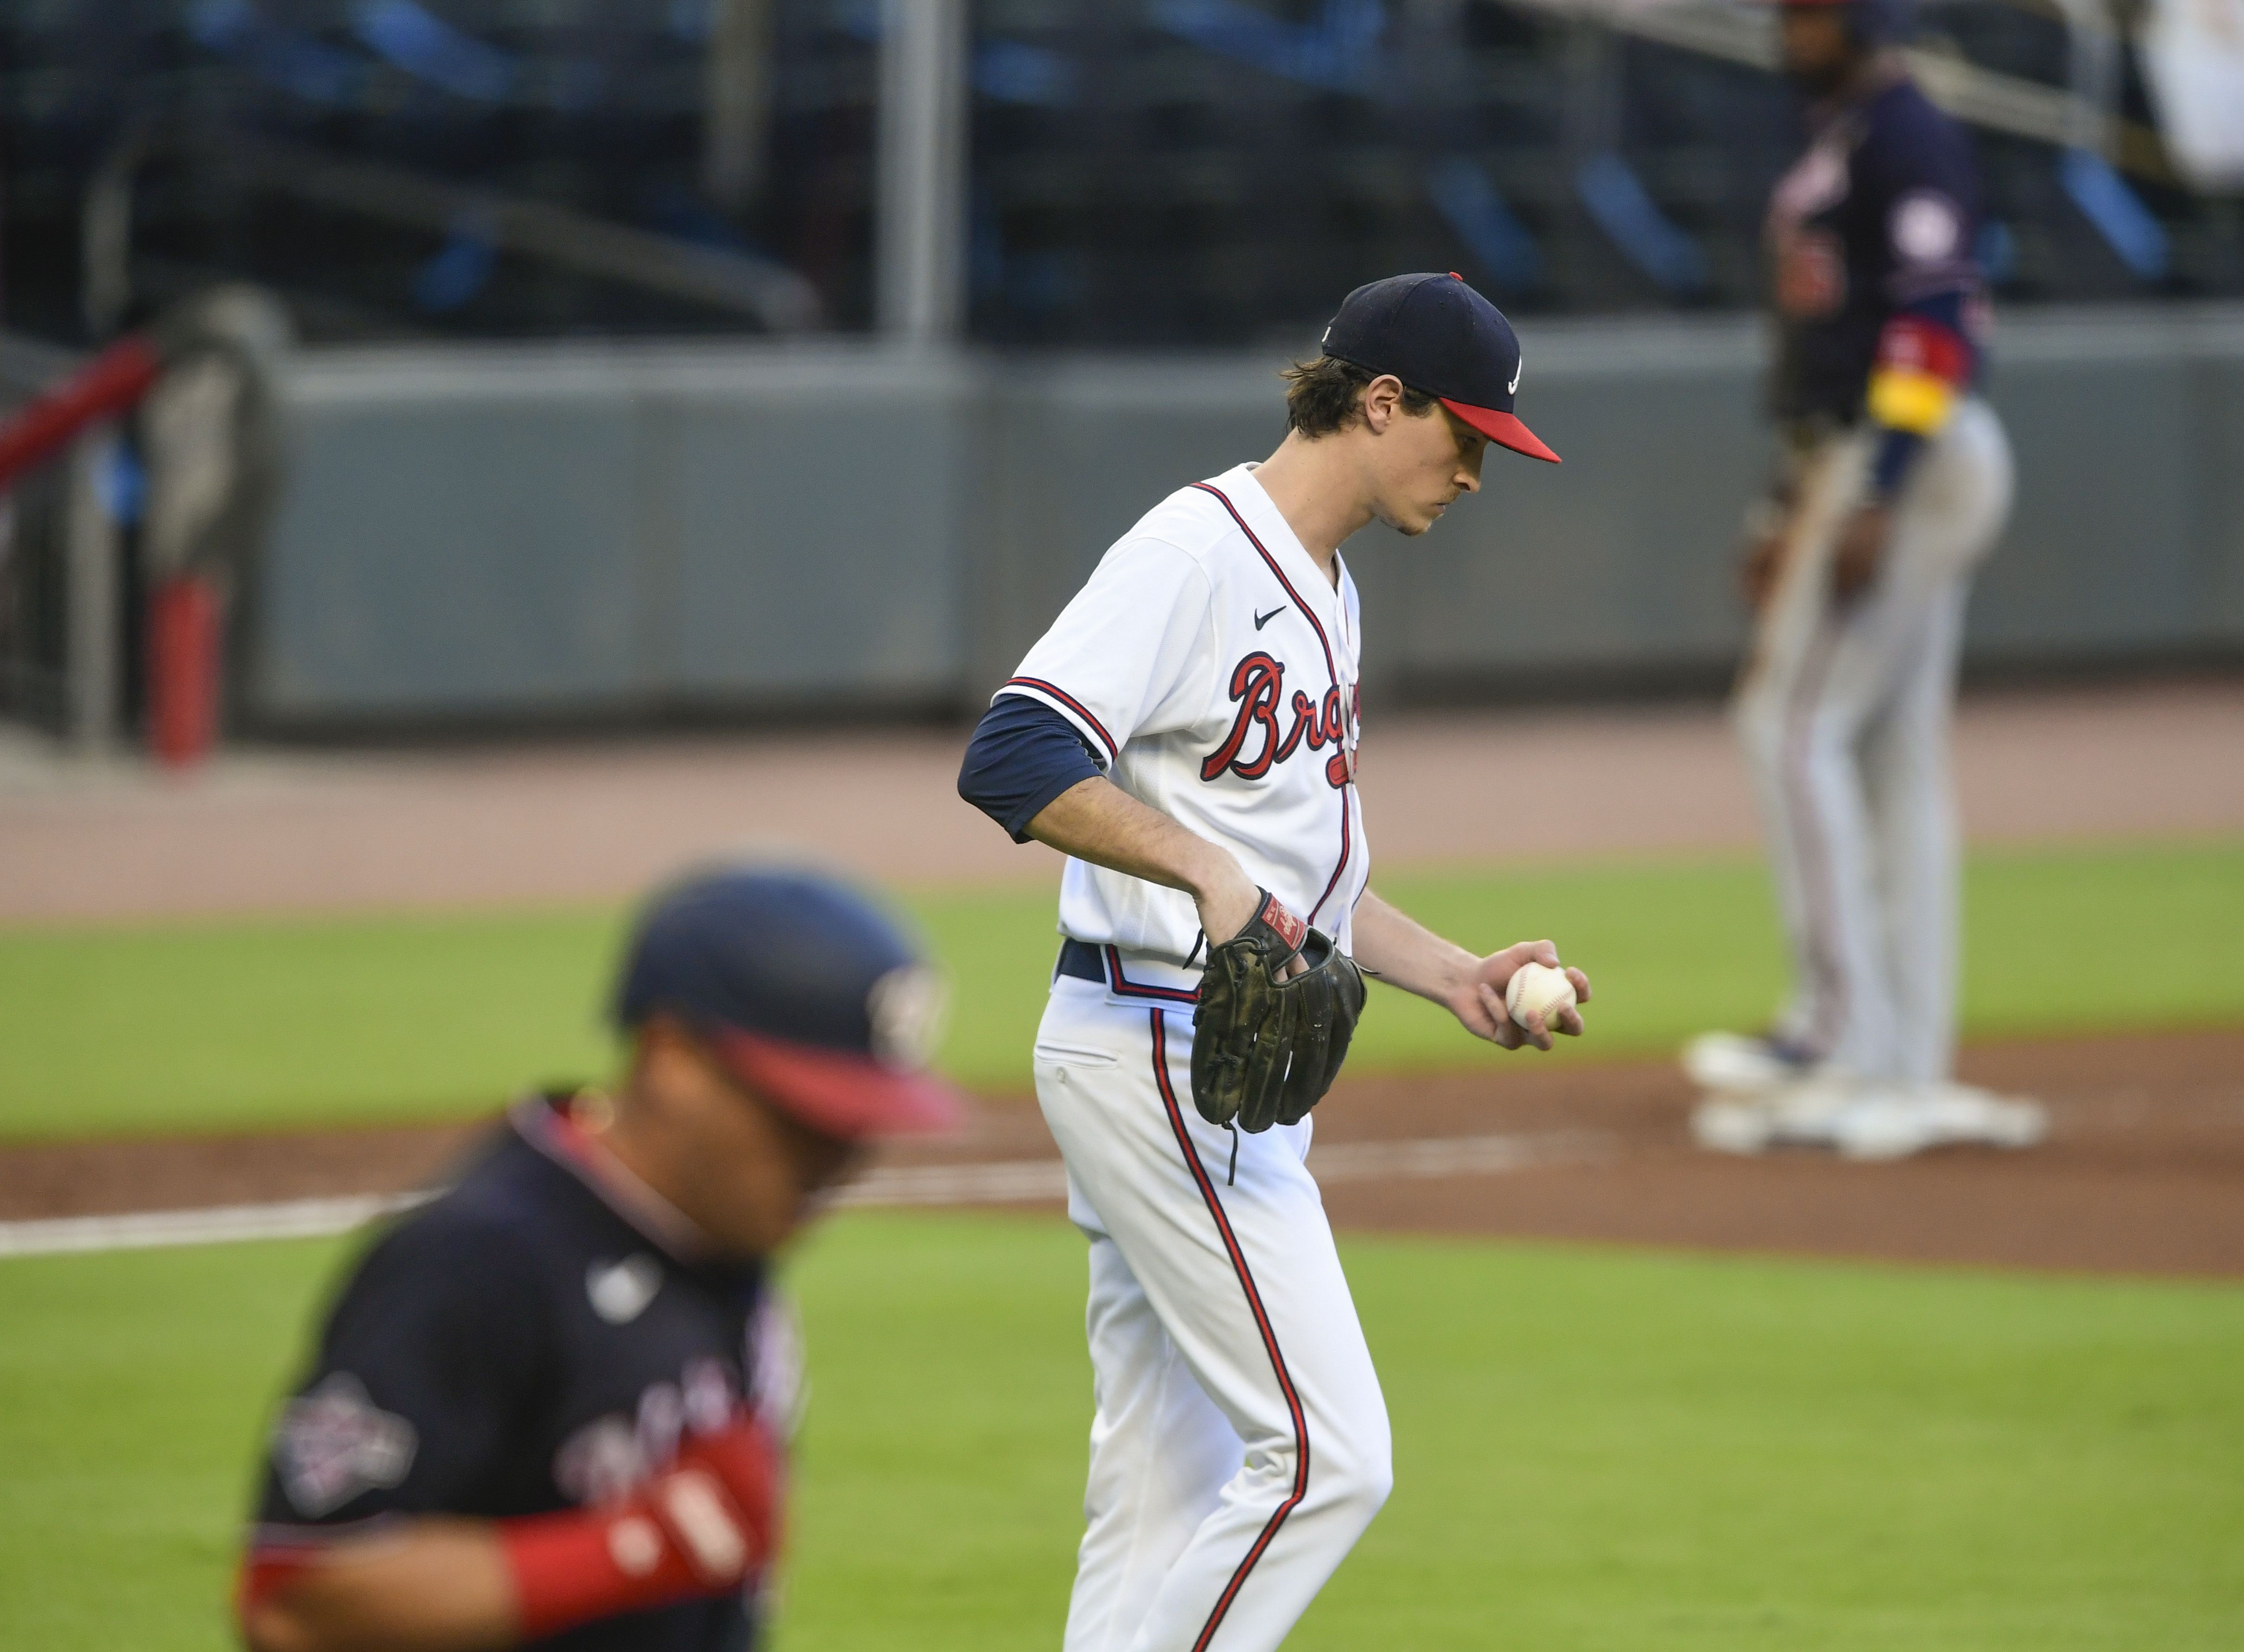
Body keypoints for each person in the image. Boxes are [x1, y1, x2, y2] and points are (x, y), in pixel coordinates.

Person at [956, 271, 1590, 1652]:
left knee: (1157, 1477)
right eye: (1466, 435)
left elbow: (1298, 887)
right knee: (1326, 1455)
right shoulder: (1192, 553)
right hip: (1154, 1049)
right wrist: (1193, 862)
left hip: (1198, 1060)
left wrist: (1455, 973)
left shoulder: (1327, 585)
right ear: (1379, 401)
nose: (1478, 472)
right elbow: (1011, 754)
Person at [234, 863, 960, 1652]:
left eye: (855, 1129)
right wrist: (635, 1546)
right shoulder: (483, 1260)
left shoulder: (723, 1246)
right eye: (802, 1121)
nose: (833, 1166)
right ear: (673, 1055)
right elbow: (296, 1600)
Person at [1683, 0, 2044, 1160]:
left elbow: (1935, 321)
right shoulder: (1841, 129)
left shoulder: (1904, 130)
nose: (1797, 22)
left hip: (1912, 456)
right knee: (1887, 755)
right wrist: (1785, 502)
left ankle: (1840, 1039)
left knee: (1788, 727)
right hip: (1854, 458)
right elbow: (1827, 346)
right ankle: (1901, 1063)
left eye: (1816, 6)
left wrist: (1877, 486)